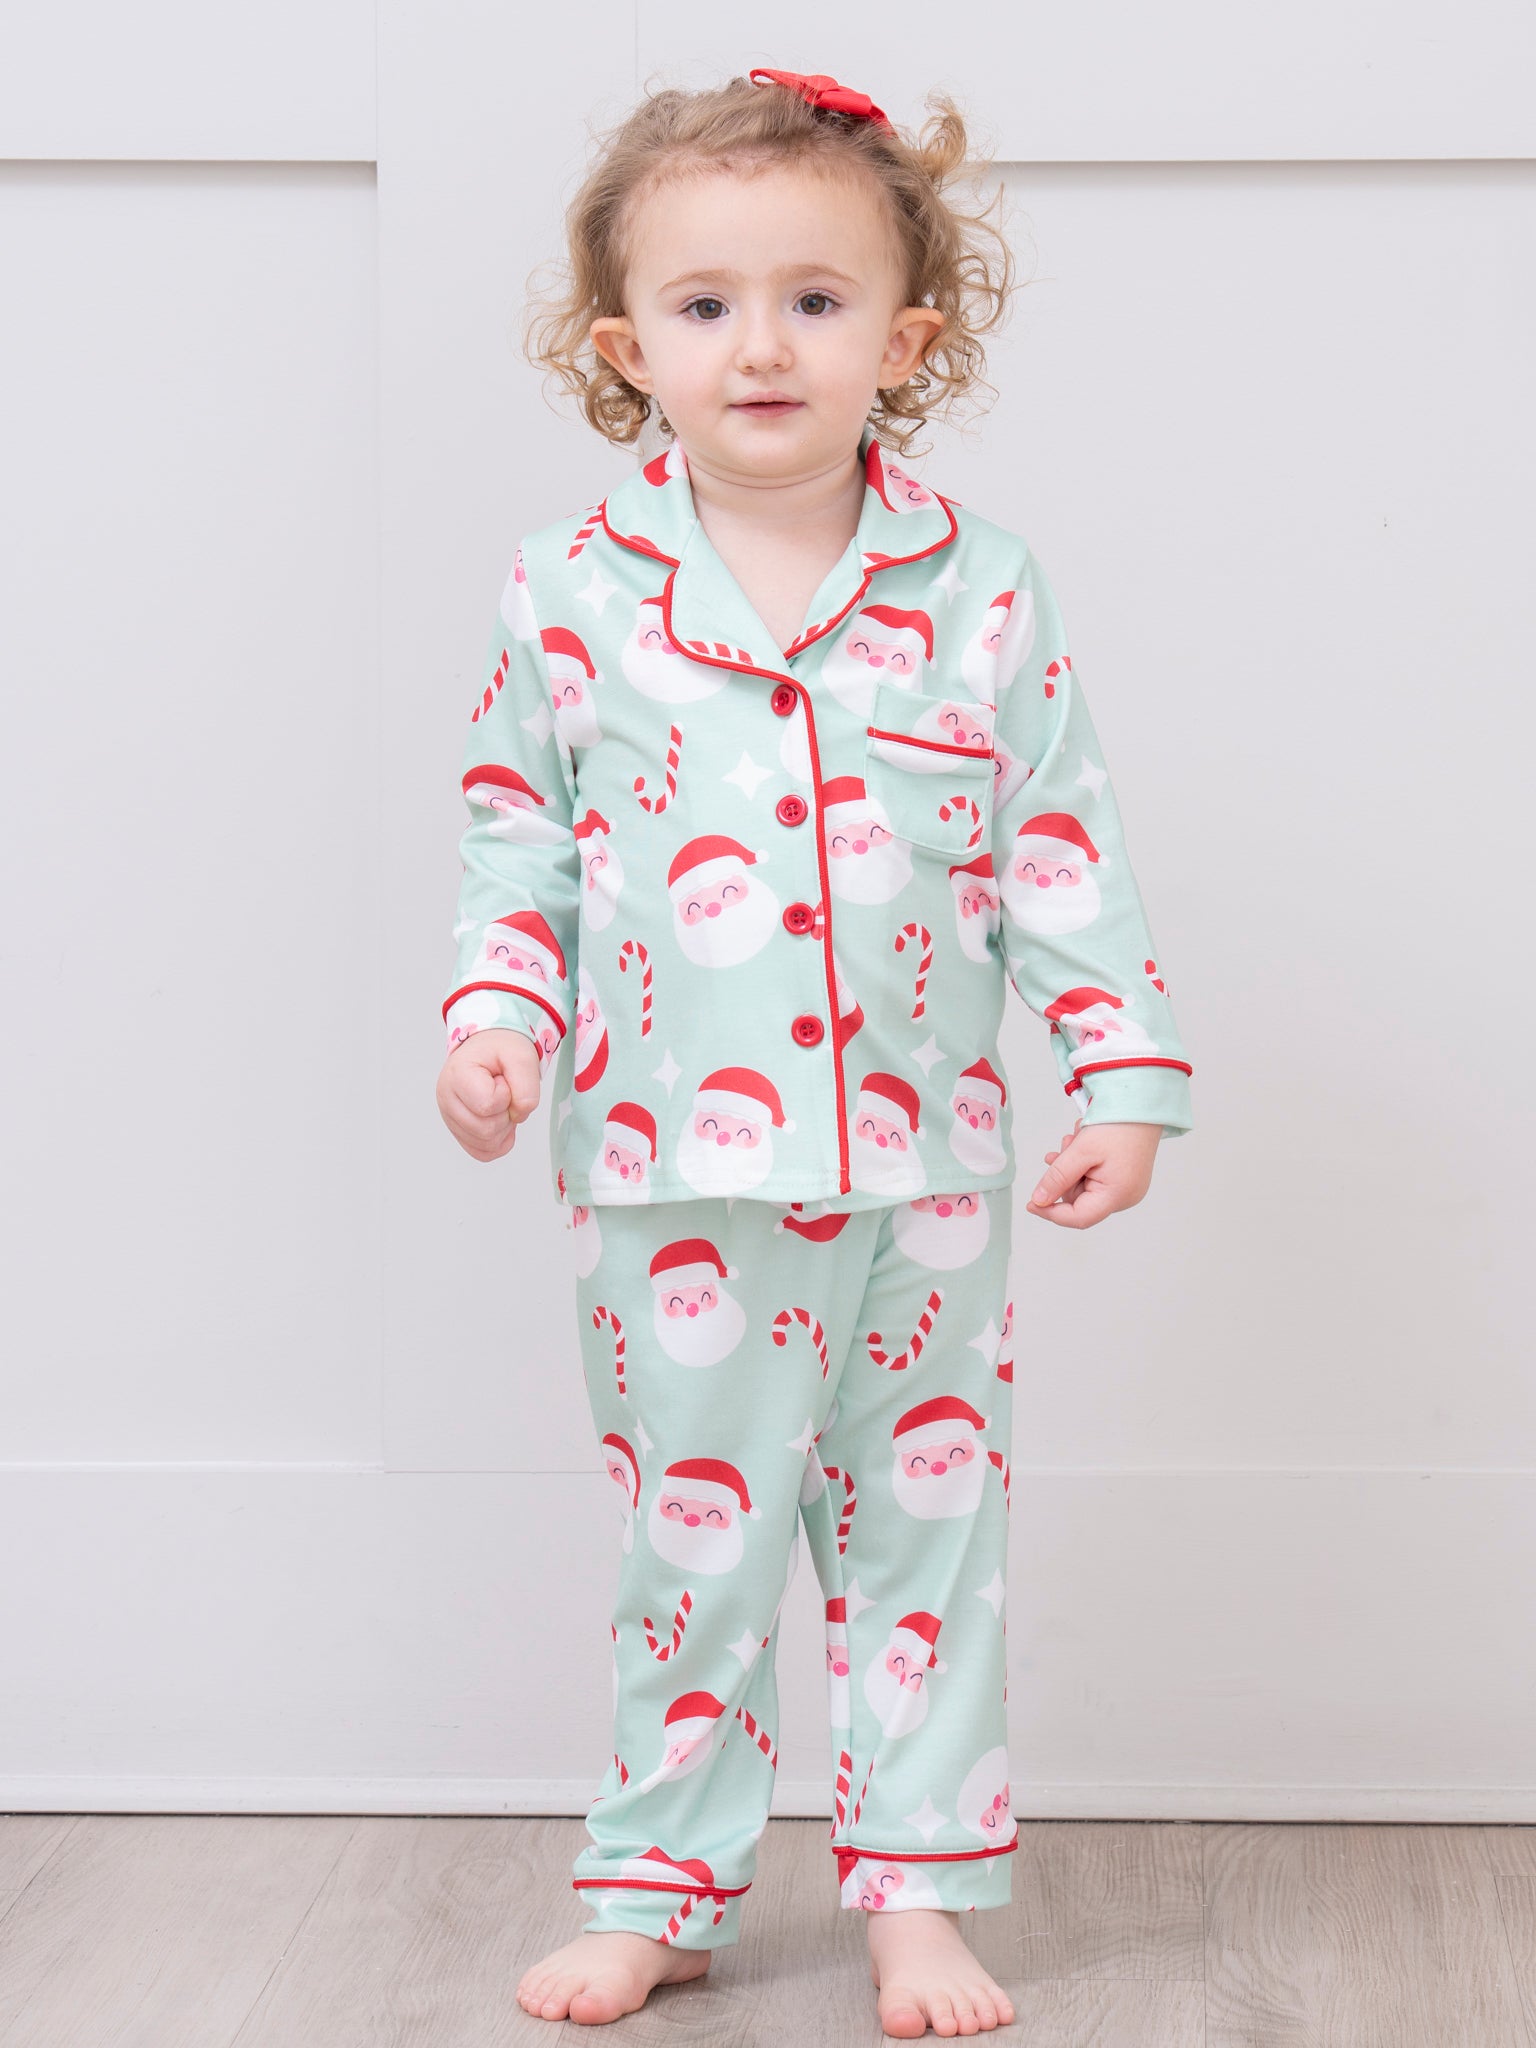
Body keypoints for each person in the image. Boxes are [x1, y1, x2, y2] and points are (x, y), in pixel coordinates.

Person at [435, 65, 1194, 2039]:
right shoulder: (568, 592)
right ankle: (661, 1884)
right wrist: (497, 1019)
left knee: (930, 1542)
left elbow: (1059, 842)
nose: (759, 344)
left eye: (815, 299)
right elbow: (519, 843)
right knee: (691, 1547)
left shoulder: (985, 588)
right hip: (668, 1173)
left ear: (906, 340)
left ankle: (918, 1897)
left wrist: (1120, 1070)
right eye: (705, 304)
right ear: (628, 348)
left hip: (928, 1175)